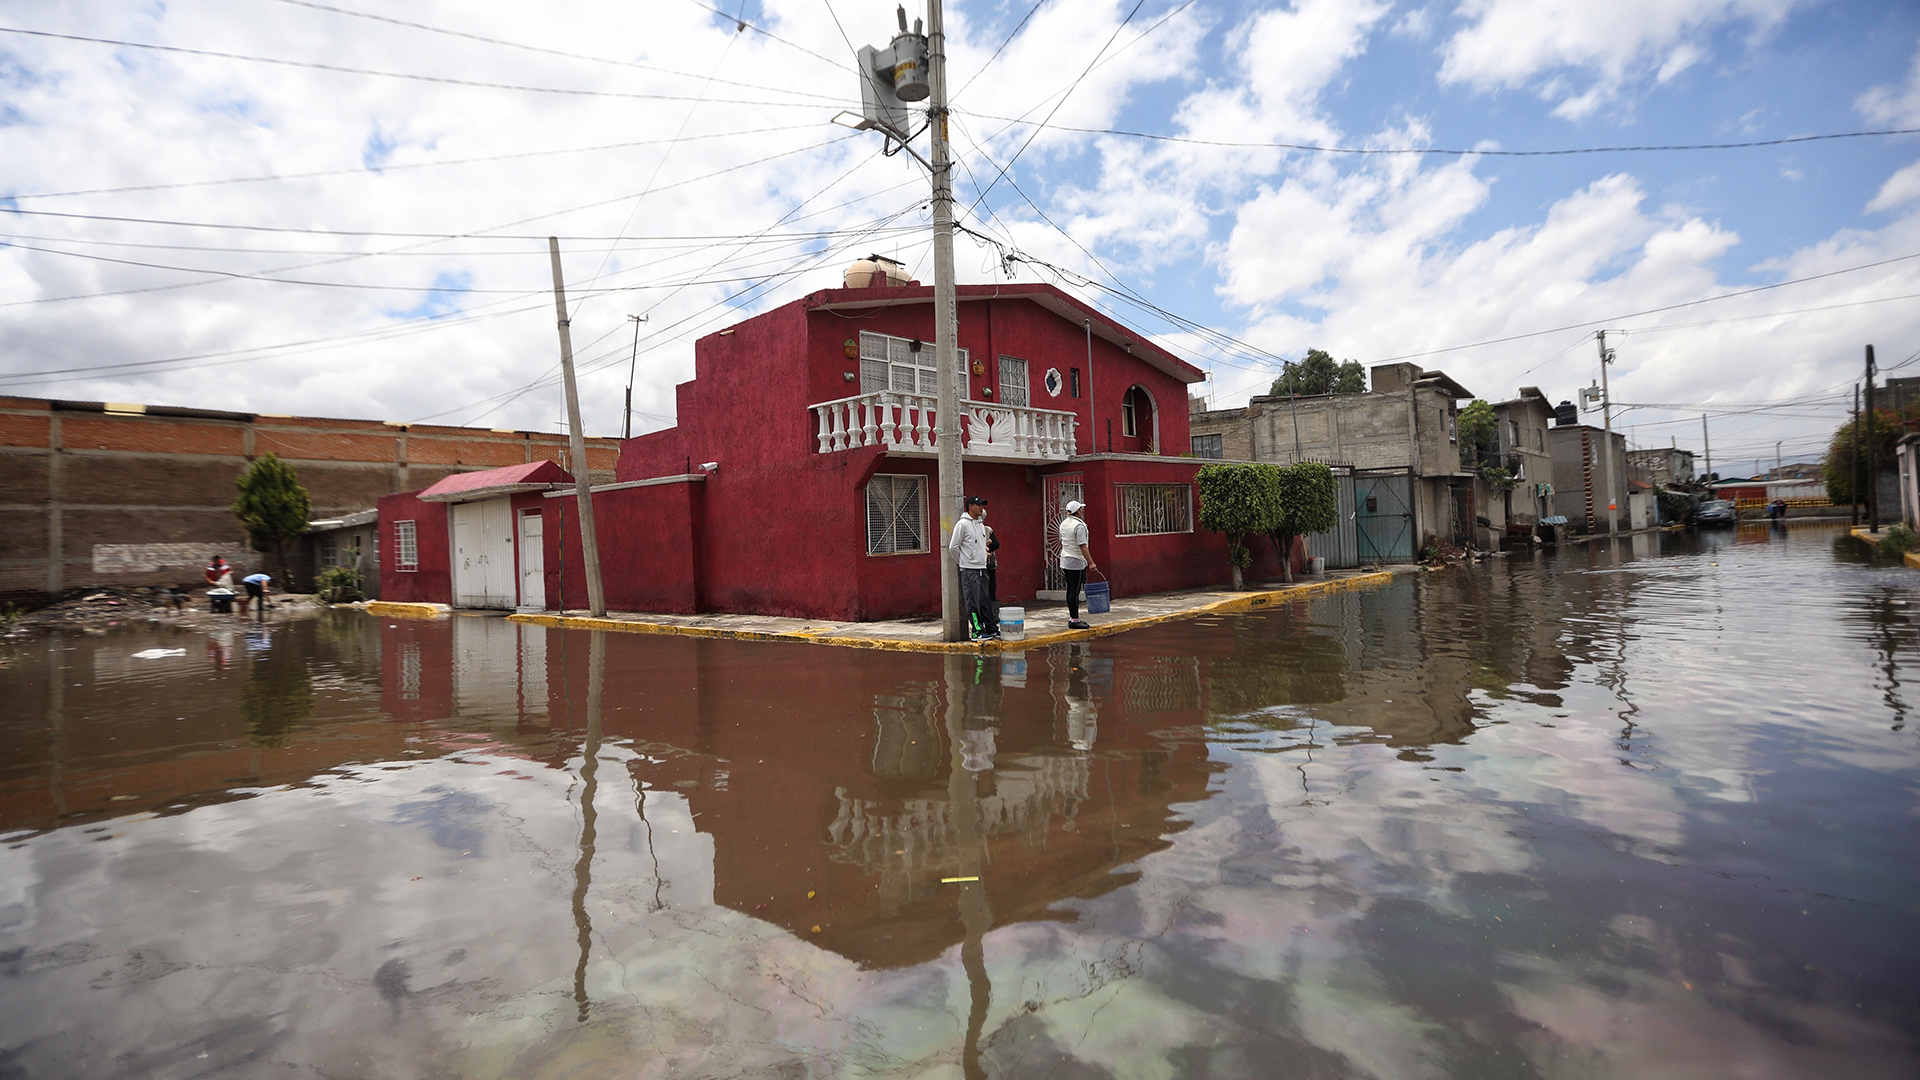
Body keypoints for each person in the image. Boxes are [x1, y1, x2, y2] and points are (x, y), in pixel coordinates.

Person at [949, 496, 995, 640]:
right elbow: (953, 547)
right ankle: (976, 631)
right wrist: (963, 561)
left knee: (984, 599)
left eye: (982, 505)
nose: (981, 507)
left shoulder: (980, 525)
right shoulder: (962, 524)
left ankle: (990, 628)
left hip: (982, 567)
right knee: (973, 601)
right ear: (970, 506)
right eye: (978, 505)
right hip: (969, 569)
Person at [1058, 499, 1096, 630]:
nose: (1082, 512)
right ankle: (1074, 619)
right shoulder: (1079, 526)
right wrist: (1091, 562)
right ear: (1077, 512)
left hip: (1065, 559)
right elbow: (1083, 546)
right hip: (1076, 561)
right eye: (1081, 510)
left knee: (1071, 589)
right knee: (1075, 590)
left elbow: (1062, 541)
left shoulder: (1063, 524)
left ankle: (1073, 618)